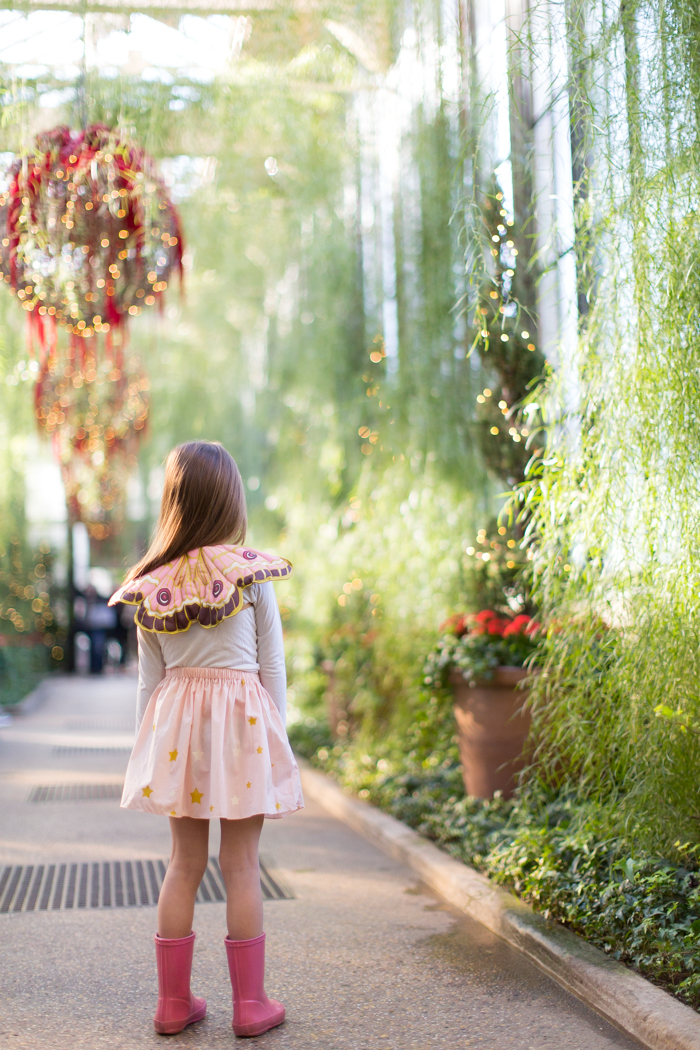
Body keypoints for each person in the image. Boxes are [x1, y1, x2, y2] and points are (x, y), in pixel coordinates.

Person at [109, 440, 303, 1037]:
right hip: (244, 727)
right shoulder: (250, 575)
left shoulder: (152, 586)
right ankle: (250, 1006)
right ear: (231, 500)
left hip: (176, 735)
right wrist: (280, 741)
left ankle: (173, 1005)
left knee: (183, 862)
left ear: (173, 503)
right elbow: (273, 667)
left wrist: (147, 751)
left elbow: (151, 683)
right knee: (241, 863)